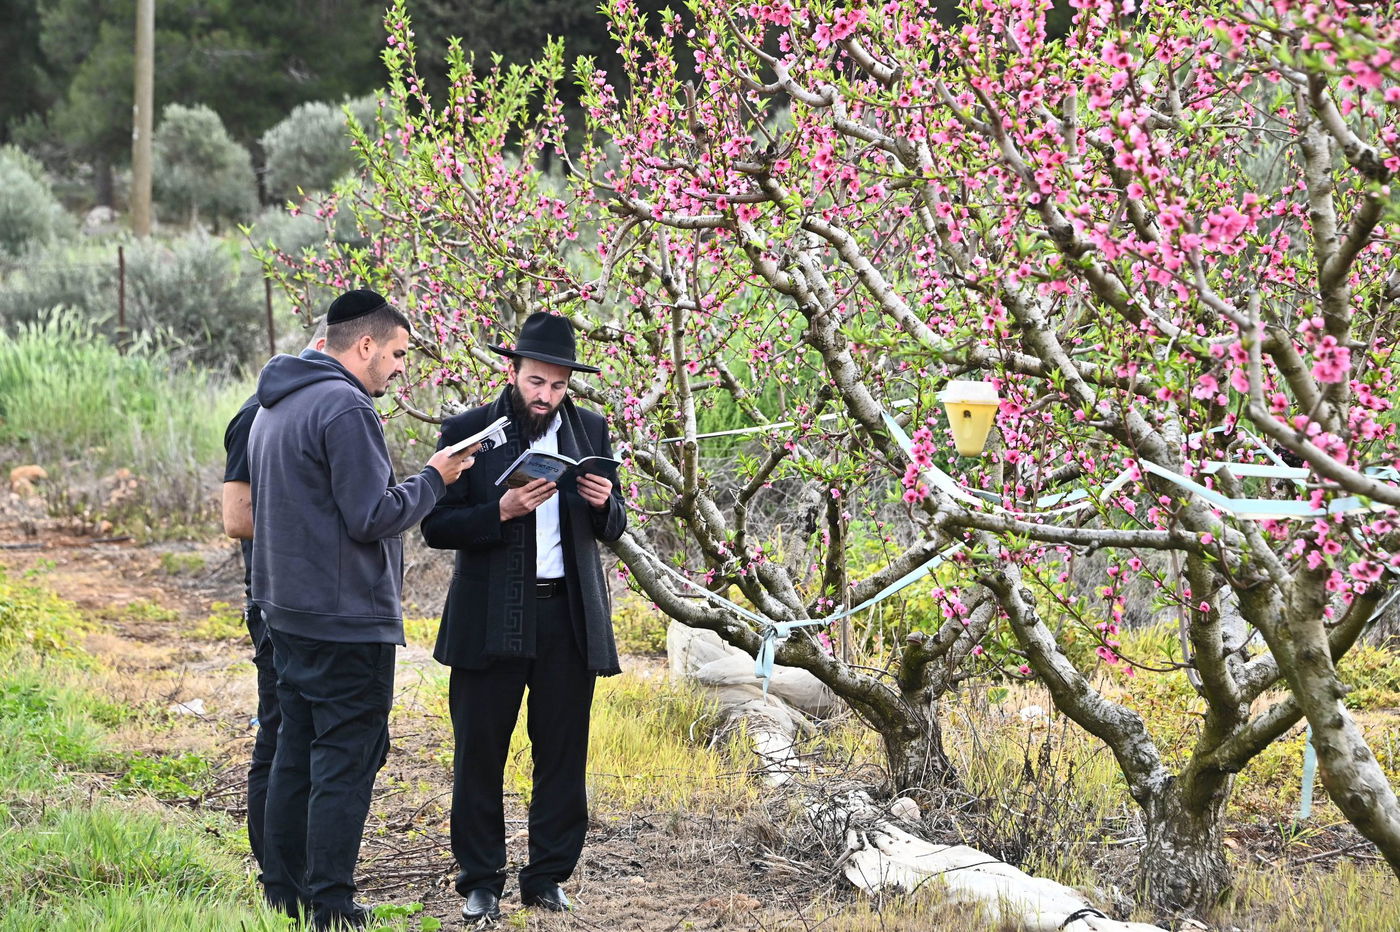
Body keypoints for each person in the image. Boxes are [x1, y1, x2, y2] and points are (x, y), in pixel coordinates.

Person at [248, 288, 476, 930]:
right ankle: (331, 904)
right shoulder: (345, 408)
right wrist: (435, 477)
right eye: (399, 353)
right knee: (346, 761)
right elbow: (372, 515)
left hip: (287, 612)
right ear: (366, 345)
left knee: (296, 751)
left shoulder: (278, 401)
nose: (402, 367)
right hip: (343, 621)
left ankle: (283, 893)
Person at [421, 311, 626, 923]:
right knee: (479, 753)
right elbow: (433, 525)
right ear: (513, 372)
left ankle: (546, 877)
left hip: (566, 613)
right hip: (488, 616)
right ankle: (481, 880)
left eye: (558, 385)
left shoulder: (589, 430)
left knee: (564, 752)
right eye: (537, 382)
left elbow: (613, 530)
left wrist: (606, 504)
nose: (546, 396)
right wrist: (501, 510)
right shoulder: (468, 430)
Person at [221, 319, 327, 882]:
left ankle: (296, 863)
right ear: (318, 349)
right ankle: (275, 869)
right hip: (273, 600)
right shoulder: (255, 414)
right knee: (281, 732)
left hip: (308, 601)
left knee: (304, 736)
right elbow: (236, 518)